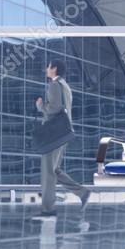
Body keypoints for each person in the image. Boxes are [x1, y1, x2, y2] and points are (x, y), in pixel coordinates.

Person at [36, 60, 89, 217]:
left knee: (48, 171)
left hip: (54, 134)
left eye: (48, 66)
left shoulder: (54, 85)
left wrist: (40, 106)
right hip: (63, 132)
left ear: (54, 69)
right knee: (55, 169)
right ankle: (83, 193)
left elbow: (54, 108)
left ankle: (48, 209)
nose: (46, 69)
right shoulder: (64, 85)